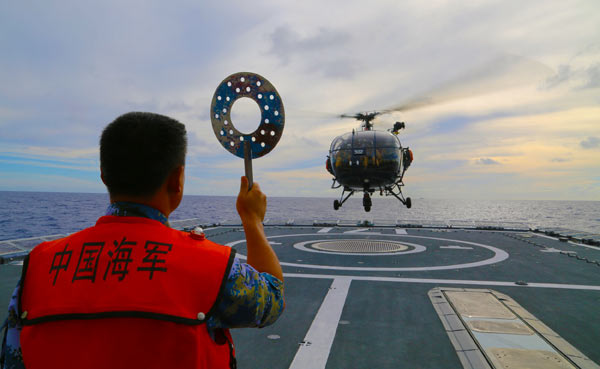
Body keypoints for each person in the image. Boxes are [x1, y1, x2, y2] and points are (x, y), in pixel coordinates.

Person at [0, 112, 285, 369]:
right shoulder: (213, 267)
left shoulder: (37, 267)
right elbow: (271, 300)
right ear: (178, 179)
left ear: (103, 175)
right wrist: (252, 220)